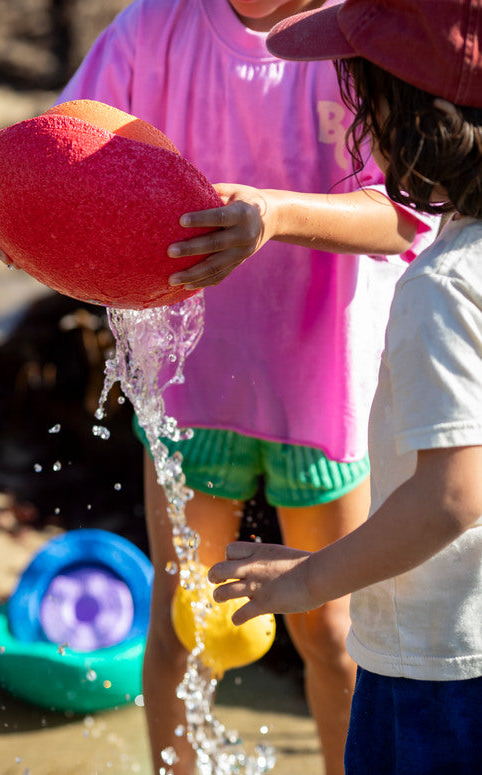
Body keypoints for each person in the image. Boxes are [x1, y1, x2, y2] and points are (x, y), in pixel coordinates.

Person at [0, 1, 437, 772]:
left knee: (334, 636)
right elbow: (61, 156)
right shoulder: (155, 28)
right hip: (190, 385)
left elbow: (409, 216)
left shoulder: (363, 30)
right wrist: (11, 203)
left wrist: (273, 215)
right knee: (183, 625)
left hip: (323, 388)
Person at [207, 1, 482, 772]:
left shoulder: (446, 285)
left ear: (409, 120)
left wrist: (311, 576)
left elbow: (454, 493)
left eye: (362, 96)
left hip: (436, 667)